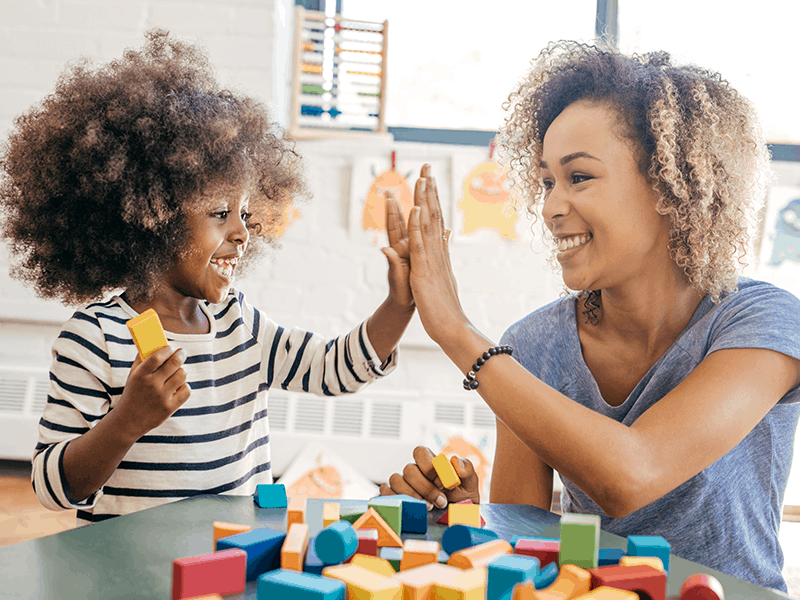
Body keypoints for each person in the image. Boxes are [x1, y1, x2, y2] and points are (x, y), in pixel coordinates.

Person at [380, 41, 800, 591]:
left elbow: (632, 473)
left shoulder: (763, 322)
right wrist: (467, 517)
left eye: (579, 177)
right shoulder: (531, 346)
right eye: (548, 181)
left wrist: (455, 331)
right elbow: (521, 543)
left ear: (670, 188)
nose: (552, 206)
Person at [0, 29, 415, 525]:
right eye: (220, 213)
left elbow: (332, 369)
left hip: (232, 559)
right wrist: (127, 421)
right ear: (151, 217)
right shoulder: (94, 339)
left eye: (244, 212)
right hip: (131, 572)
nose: (243, 232)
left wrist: (401, 303)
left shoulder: (241, 324)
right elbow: (52, 488)